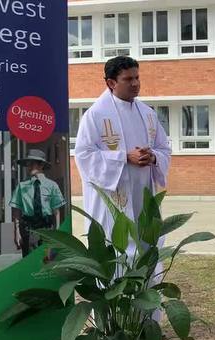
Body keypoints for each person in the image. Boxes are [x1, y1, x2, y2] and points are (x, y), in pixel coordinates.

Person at [74, 56, 171, 265]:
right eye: (128, 79)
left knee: (145, 243)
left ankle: (146, 290)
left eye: (137, 77)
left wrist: (153, 156)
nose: (135, 83)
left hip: (143, 192)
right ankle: (116, 296)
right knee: (116, 248)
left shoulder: (147, 114)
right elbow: (83, 155)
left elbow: (164, 147)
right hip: (114, 194)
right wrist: (125, 157)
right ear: (111, 83)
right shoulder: (95, 115)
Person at [10, 149, 65, 258]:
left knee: (48, 262)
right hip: (29, 230)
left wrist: (57, 234)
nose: (29, 167)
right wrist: (16, 232)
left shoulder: (52, 186)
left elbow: (56, 212)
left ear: (41, 165)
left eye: (32, 163)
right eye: (27, 164)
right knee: (30, 263)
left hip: (47, 230)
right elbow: (16, 211)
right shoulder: (22, 186)